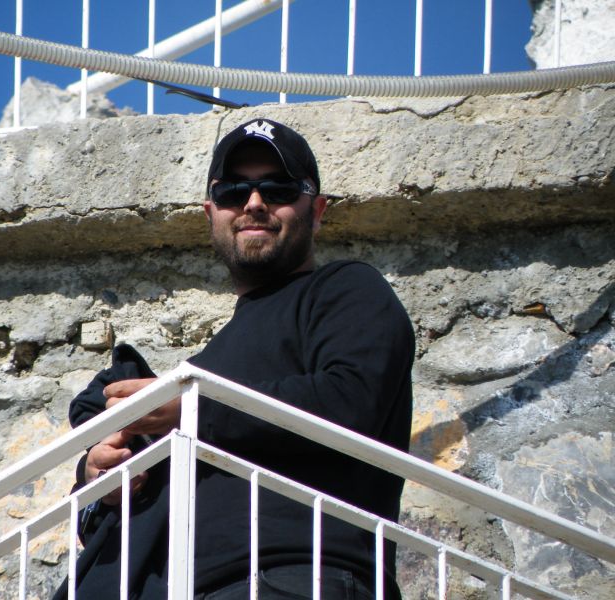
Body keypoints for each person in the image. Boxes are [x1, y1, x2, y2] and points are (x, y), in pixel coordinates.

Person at [53, 118, 414, 599]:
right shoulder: (211, 364)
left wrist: (190, 409)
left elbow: (351, 401)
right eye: (233, 191)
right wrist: (99, 477)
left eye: (279, 188)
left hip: (288, 576)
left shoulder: (346, 289)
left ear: (317, 210)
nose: (254, 203)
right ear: (211, 213)